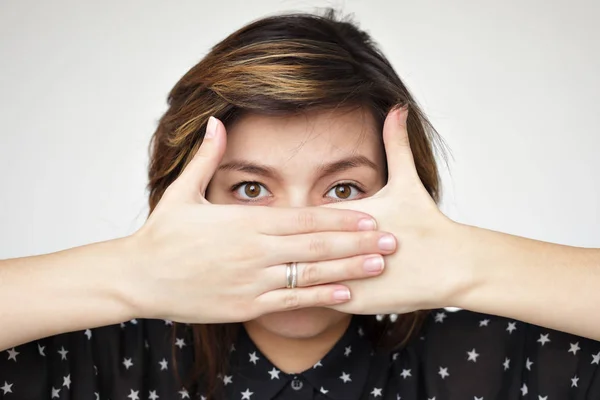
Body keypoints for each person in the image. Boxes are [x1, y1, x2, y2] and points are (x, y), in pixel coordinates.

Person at [1, 9, 599, 400]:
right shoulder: (98, 353)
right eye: (251, 189)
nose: (296, 234)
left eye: (343, 189)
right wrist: (127, 274)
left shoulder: (506, 354)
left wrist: (469, 265)